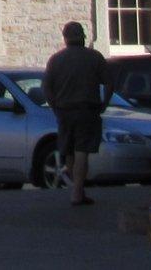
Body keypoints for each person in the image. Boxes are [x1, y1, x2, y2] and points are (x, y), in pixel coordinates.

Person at [42, 20, 111, 205]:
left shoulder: (56, 60)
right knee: (82, 150)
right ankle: (77, 192)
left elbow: (46, 88)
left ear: (65, 38)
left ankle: (77, 190)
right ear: (83, 36)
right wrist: (104, 103)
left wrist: (55, 106)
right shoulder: (95, 57)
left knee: (70, 151)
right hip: (87, 110)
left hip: (64, 112)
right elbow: (110, 83)